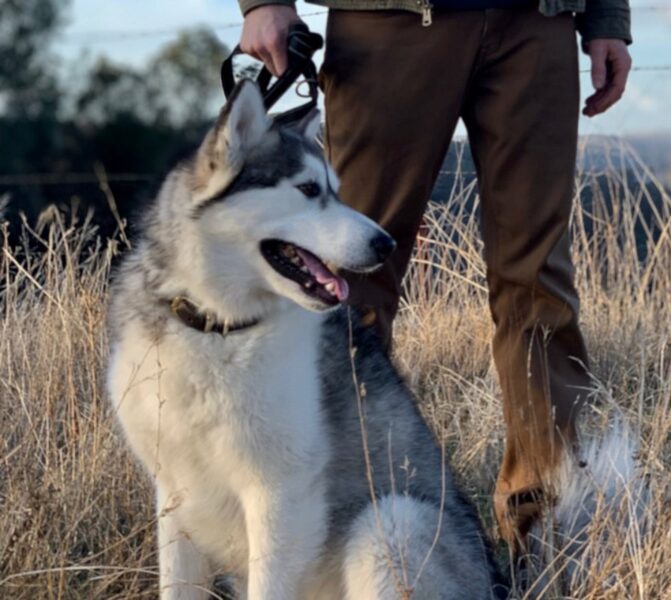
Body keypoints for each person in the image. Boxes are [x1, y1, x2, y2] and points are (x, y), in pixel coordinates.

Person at [238, 0, 632, 550]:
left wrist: (607, 18)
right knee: (350, 281)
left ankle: (546, 535)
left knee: (538, 282)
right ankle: (337, 528)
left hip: (538, 24)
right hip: (389, 26)